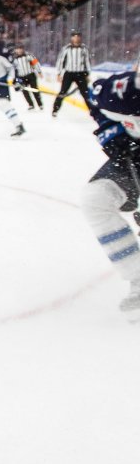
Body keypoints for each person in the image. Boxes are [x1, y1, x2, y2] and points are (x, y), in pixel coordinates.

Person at [84, 65, 140, 320]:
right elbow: (98, 101)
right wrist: (113, 133)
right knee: (96, 199)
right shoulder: (125, 89)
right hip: (133, 156)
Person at [53, 30, 92, 118]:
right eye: (74, 36)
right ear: (71, 38)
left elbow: (87, 61)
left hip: (81, 74)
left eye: (78, 36)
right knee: (63, 91)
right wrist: (59, 73)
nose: (76, 38)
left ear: (80, 37)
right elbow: (61, 60)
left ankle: (92, 110)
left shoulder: (84, 49)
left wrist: (88, 74)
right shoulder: (66, 48)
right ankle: (55, 109)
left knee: (85, 93)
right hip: (69, 74)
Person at [10, 45, 43, 111]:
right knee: (25, 91)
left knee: (35, 90)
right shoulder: (14, 58)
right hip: (21, 77)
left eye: (20, 49)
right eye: (17, 49)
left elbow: (35, 62)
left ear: (22, 49)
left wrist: (39, 71)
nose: (19, 50)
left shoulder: (28, 55)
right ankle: (31, 105)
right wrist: (15, 79)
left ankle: (40, 104)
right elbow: (13, 69)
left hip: (31, 75)